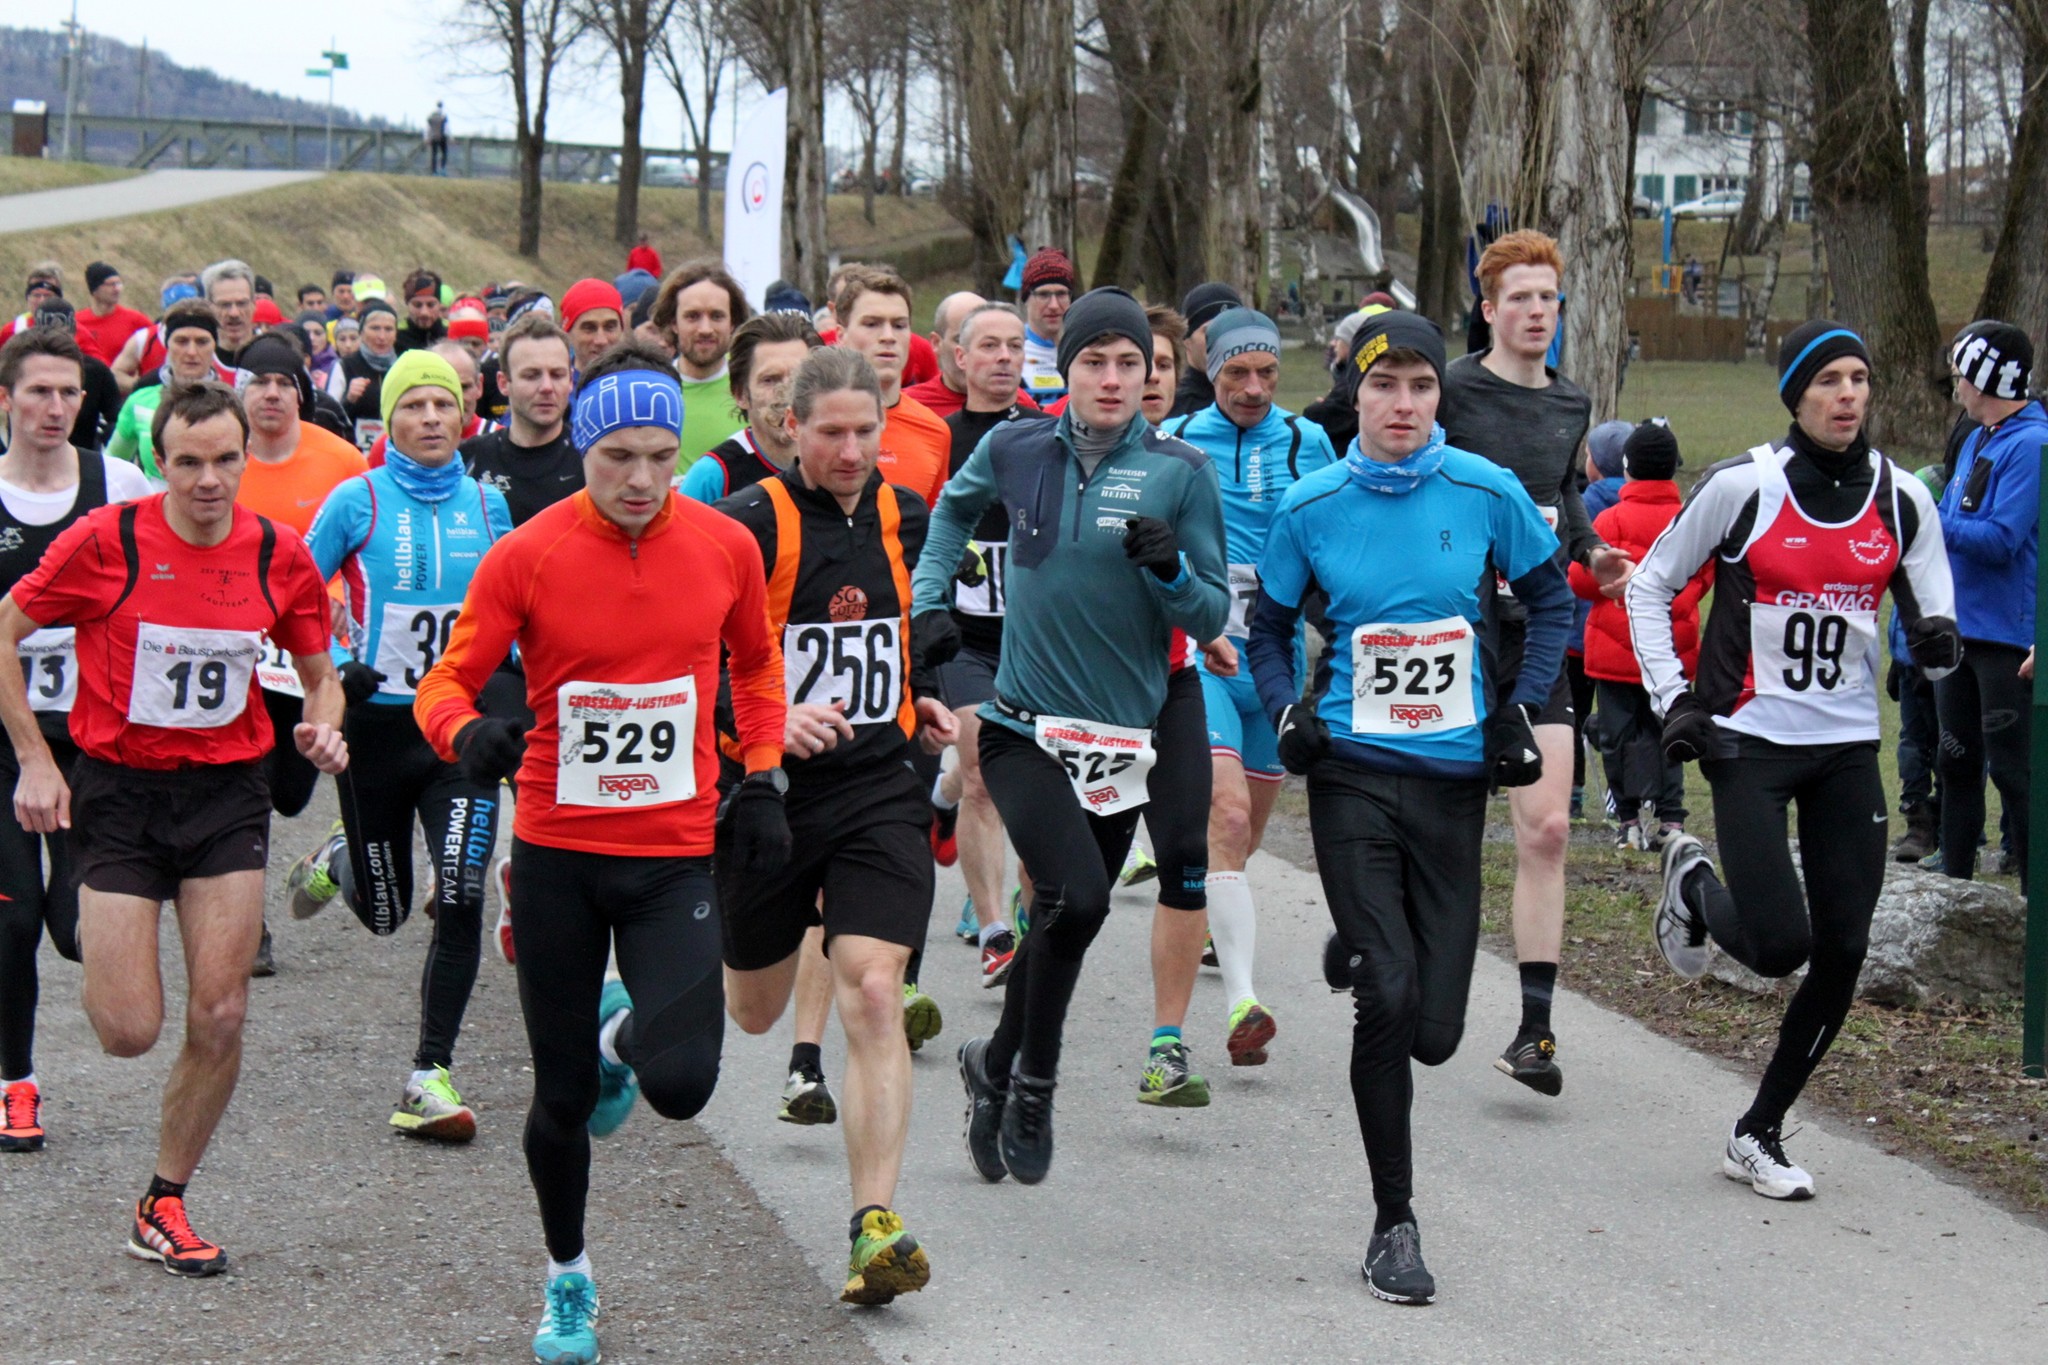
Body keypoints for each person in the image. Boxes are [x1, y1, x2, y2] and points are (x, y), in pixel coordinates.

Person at [413, 340, 788, 1365]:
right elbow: (441, 686)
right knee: (561, 1099)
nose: (637, 479)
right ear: (583, 447)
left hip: (672, 855)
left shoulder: (723, 546)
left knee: (682, 1083)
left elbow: (756, 668)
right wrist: (466, 737)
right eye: (616, 454)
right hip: (558, 857)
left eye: (659, 456)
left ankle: (622, 1040)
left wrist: (760, 776)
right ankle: (567, 1279)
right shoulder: (525, 554)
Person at [1250, 309, 1570, 1304]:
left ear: (1440, 397)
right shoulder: (1309, 504)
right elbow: (1264, 627)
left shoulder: (1483, 491)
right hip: (1350, 772)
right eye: (1383, 386)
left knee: (1433, 1032)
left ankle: (1361, 944)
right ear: (1356, 395)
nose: (1401, 405)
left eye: (1420, 387)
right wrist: (1284, 710)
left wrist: (1519, 706)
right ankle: (1393, 1222)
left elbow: (1553, 600)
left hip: (1450, 783)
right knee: (1387, 1000)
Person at [0, 379, 347, 1274]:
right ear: (160, 461)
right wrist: (38, 758)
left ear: (244, 457)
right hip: (118, 791)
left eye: (224, 459)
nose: (207, 479)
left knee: (224, 1009)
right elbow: (3, 627)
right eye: (187, 461)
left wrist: (324, 721)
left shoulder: (280, 552)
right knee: (128, 1029)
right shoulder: (106, 540)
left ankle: (164, 1200)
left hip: (228, 792)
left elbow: (320, 671)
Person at [1635, 321, 1959, 1201]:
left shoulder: (1902, 501)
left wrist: (1933, 645)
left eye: (1859, 378)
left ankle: (1759, 1131)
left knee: (1845, 947)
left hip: (1849, 746)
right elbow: (1650, 583)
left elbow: (1936, 631)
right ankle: (1694, 886)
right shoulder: (1744, 485)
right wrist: (1675, 699)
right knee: (1781, 946)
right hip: (1748, 742)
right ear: (1797, 396)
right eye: (1829, 380)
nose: (1848, 394)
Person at [915, 287, 1229, 1186]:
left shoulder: (1179, 473)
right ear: (1069, 369)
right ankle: (1035, 1083)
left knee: (1063, 916)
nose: (1112, 378)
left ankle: (994, 1060)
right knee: (1079, 899)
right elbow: (948, 512)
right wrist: (930, 601)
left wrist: (1169, 567)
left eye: (1130, 363)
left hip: (1121, 741)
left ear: (1149, 374)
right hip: (1021, 728)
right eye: (1095, 360)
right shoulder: (1016, 448)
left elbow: (1208, 609)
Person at [715, 345, 950, 1304]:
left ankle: (874, 1227)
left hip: (878, 790)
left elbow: (917, 634)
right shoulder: (746, 526)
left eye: (867, 431)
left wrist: (928, 695)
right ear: (790, 430)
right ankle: (629, 1030)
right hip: (769, 799)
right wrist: (764, 725)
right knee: (755, 1011)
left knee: (874, 989)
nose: (853, 450)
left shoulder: (907, 516)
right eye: (832, 433)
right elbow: (695, 667)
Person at [287, 350, 511, 1140]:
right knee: (384, 913)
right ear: (392, 419)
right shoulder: (358, 500)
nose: (429, 419)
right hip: (378, 727)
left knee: (460, 891)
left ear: (463, 416)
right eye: (412, 406)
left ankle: (430, 1074)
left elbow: (516, 619)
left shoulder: (490, 507)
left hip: (458, 727)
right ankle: (337, 860)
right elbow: (295, 591)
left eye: (442, 406)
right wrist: (329, 659)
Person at [1438, 229, 1631, 1096]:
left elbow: (1561, 491)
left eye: (1548, 298)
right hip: (1448, 630)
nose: (1536, 312)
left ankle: (1535, 1029)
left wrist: (1592, 550)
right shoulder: (1451, 388)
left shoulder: (1571, 401)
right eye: (1519, 297)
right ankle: (1374, 935)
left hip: (1537, 628)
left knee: (1547, 827)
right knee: (1438, 828)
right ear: (1489, 309)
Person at [1159, 308, 1338, 1069]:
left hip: (1274, 657)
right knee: (1226, 811)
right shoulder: (1177, 441)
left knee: (1245, 830)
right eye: (1238, 373)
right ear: (1213, 371)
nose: (1255, 388)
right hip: (1202, 655)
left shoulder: (1308, 441)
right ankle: (1243, 1003)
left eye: (1268, 373)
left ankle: (1208, 914)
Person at [0, 328, 155, 1155]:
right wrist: (28, 755)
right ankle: (14, 1082)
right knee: (13, 917)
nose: (56, 408)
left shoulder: (118, 485)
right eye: (38, 393)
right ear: (7, 401)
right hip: (7, 741)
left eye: (69, 393)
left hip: (96, 744)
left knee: (74, 929)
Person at [930, 302, 1038, 981]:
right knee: (982, 775)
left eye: (1015, 347)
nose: (1003, 357)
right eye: (988, 346)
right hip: (963, 640)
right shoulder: (935, 436)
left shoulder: (1049, 434)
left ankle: (1031, 917)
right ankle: (995, 926)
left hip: (1033, 643)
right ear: (959, 357)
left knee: (1031, 782)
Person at [1934, 322, 2041, 890]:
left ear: (1985, 377)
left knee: (2011, 770)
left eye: (1960, 374)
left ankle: (2031, 899)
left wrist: (1932, 518)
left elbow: (2001, 539)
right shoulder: (1977, 436)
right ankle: (1953, 886)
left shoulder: (2032, 445)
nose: (1956, 387)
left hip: (2005, 638)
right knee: (1954, 761)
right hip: (1959, 630)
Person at [1568, 419, 1705, 851]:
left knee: (1616, 736)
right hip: (1671, 651)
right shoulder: (1689, 521)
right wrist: (1675, 600)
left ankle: (1627, 819)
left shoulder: (1609, 520)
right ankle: (1671, 818)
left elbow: (1580, 580)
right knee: (1671, 730)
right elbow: (1702, 575)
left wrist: (1614, 591)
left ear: (1626, 468)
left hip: (1613, 653)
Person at [833, 265, 951, 508]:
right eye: (872, 324)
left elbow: (935, 532)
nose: (888, 336)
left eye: (899, 325)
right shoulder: (812, 424)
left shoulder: (935, 431)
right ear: (840, 336)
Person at [678, 312, 823, 504]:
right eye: (770, 380)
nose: (788, 394)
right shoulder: (714, 475)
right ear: (740, 394)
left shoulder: (840, 462)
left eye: (800, 378)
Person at [462, 313, 582, 526]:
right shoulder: (470, 460)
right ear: (503, 383)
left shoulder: (592, 459)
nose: (546, 387)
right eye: (531, 375)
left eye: (557, 374)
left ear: (571, 380)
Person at [1571, 420, 1629, 820]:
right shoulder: (1639, 503)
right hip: (1624, 635)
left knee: (1568, 714)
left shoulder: (1584, 506)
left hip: (1577, 635)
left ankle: (1571, 791)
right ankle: (1620, 793)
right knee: (1618, 719)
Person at [107, 300, 226, 485]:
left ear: (214, 346)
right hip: (153, 509)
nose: (192, 351)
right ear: (167, 344)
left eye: (202, 341)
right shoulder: (140, 403)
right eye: (181, 341)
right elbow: (110, 468)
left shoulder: (232, 405)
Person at [649, 261, 751, 468]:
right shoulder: (652, 389)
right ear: (673, 323)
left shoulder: (754, 385)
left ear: (732, 323)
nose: (705, 329)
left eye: (716, 316)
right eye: (693, 316)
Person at [20, 299, 122, 454]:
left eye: (69, 392)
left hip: (81, 461)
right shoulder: (19, 369)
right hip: (27, 461)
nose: (55, 341)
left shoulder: (95, 371)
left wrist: (106, 443)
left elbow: (118, 419)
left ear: (74, 332)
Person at [902, 291, 987, 418]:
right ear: (936, 343)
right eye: (960, 340)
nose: (973, 354)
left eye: (988, 343)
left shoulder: (1018, 402)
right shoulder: (908, 407)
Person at [330, 299, 402, 449]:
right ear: (361, 332)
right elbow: (329, 417)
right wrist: (348, 400)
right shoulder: (345, 366)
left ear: (396, 334)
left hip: (395, 454)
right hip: (354, 453)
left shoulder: (403, 367)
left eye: (388, 329)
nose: (382, 336)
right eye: (375, 328)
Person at [1170, 283, 1243, 418]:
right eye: (1210, 331)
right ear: (1186, 340)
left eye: (1231, 329)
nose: (1222, 339)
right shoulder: (1172, 410)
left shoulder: (1253, 403)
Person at [1016, 249, 1074, 405]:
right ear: (1026, 298)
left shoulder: (1083, 349)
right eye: (1043, 295)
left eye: (1061, 294)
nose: (1054, 305)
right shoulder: (1011, 350)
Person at [77, 262, 152, 366]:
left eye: (119, 284)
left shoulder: (136, 320)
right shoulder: (77, 322)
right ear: (94, 290)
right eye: (111, 284)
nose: (117, 289)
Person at [199, 260, 258, 368]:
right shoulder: (196, 360)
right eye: (224, 305)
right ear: (208, 308)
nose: (234, 313)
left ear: (254, 304)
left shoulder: (276, 358)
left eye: (241, 303)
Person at [0, 265, 64, 351]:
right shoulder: (11, 331)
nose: (42, 301)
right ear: (28, 298)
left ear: (59, 299)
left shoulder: (76, 332)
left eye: (48, 295)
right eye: (36, 295)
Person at [397, 271, 449, 355]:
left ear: (439, 305)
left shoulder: (451, 332)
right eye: (417, 305)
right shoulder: (396, 335)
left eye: (431, 305)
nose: (424, 313)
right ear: (407, 305)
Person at [427, 102, 450, 175]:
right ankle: (442, 169)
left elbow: (428, 127)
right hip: (442, 136)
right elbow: (447, 128)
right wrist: (450, 136)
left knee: (434, 154)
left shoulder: (431, 116)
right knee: (444, 153)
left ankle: (434, 171)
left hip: (433, 136)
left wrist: (427, 137)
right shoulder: (443, 116)